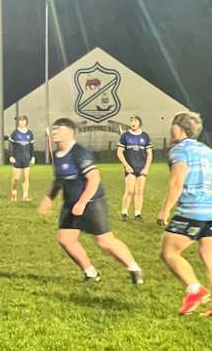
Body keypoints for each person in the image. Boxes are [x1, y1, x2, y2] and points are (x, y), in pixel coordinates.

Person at [37, 118, 144, 285]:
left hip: (92, 201)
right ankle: (91, 273)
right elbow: (59, 179)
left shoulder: (79, 152)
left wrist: (82, 202)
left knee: (104, 241)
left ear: (70, 132)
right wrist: (49, 198)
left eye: (59, 129)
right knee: (65, 239)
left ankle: (133, 267)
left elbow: (94, 179)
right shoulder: (57, 154)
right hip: (71, 203)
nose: (55, 132)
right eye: (54, 129)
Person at [156, 112, 212, 318]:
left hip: (192, 210)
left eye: (172, 125)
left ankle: (195, 290)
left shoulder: (180, 150)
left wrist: (165, 209)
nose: (171, 129)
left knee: (168, 252)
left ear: (179, 128)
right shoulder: (208, 151)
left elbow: (177, 181)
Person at [117, 116, 153, 221]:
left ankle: (138, 214)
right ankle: (124, 213)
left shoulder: (145, 136)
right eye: (131, 121)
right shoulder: (125, 136)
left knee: (139, 191)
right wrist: (126, 165)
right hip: (130, 168)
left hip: (142, 168)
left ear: (139, 123)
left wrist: (146, 168)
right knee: (129, 190)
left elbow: (149, 154)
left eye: (135, 121)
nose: (132, 123)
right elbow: (119, 152)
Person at [7, 115, 35, 202]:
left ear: (26, 122)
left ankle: (25, 196)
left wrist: (33, 156)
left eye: (23, 121)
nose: (22, 122)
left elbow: (31, 147)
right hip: (17, 158)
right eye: (20, 121)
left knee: (26, 178)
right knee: (15, 178)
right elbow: (11, 146)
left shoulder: (29, 133)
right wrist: (11, 156)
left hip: (26, 158)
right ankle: (14, 194)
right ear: (18, 122)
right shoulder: (14, 133)